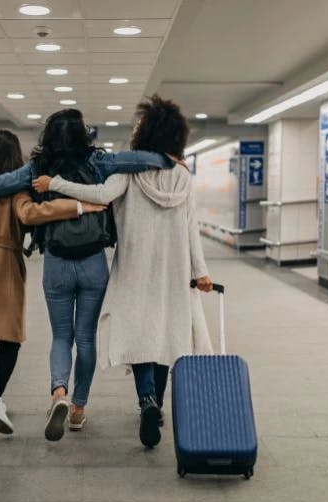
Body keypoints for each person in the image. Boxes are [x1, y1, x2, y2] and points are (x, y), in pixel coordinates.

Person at [0, 109, 174, 443]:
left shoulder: (38, 167)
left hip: (57, 262)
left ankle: (58, 392)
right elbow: (140, 160)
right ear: (83, 134)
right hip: (93, 261)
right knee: (87, 339)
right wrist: (167, 159)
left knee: (61, 336)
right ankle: (78, 408)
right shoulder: (99, 161)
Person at [33, 95, 214, 448]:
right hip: (173, 271)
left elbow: (98, 195)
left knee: (140, 337)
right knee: (165, 335)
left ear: (148, 133)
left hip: (134, 266)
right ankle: (154, 404)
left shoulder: (128, 174)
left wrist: (54, 183)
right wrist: (201, 271)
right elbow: (192, 227)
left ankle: (144, 399)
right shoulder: (183, 177)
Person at [0, 129, 105, 436]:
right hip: (5, 267)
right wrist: (78, 206)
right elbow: (34, 213)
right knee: (9, 342)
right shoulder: (17, 189)